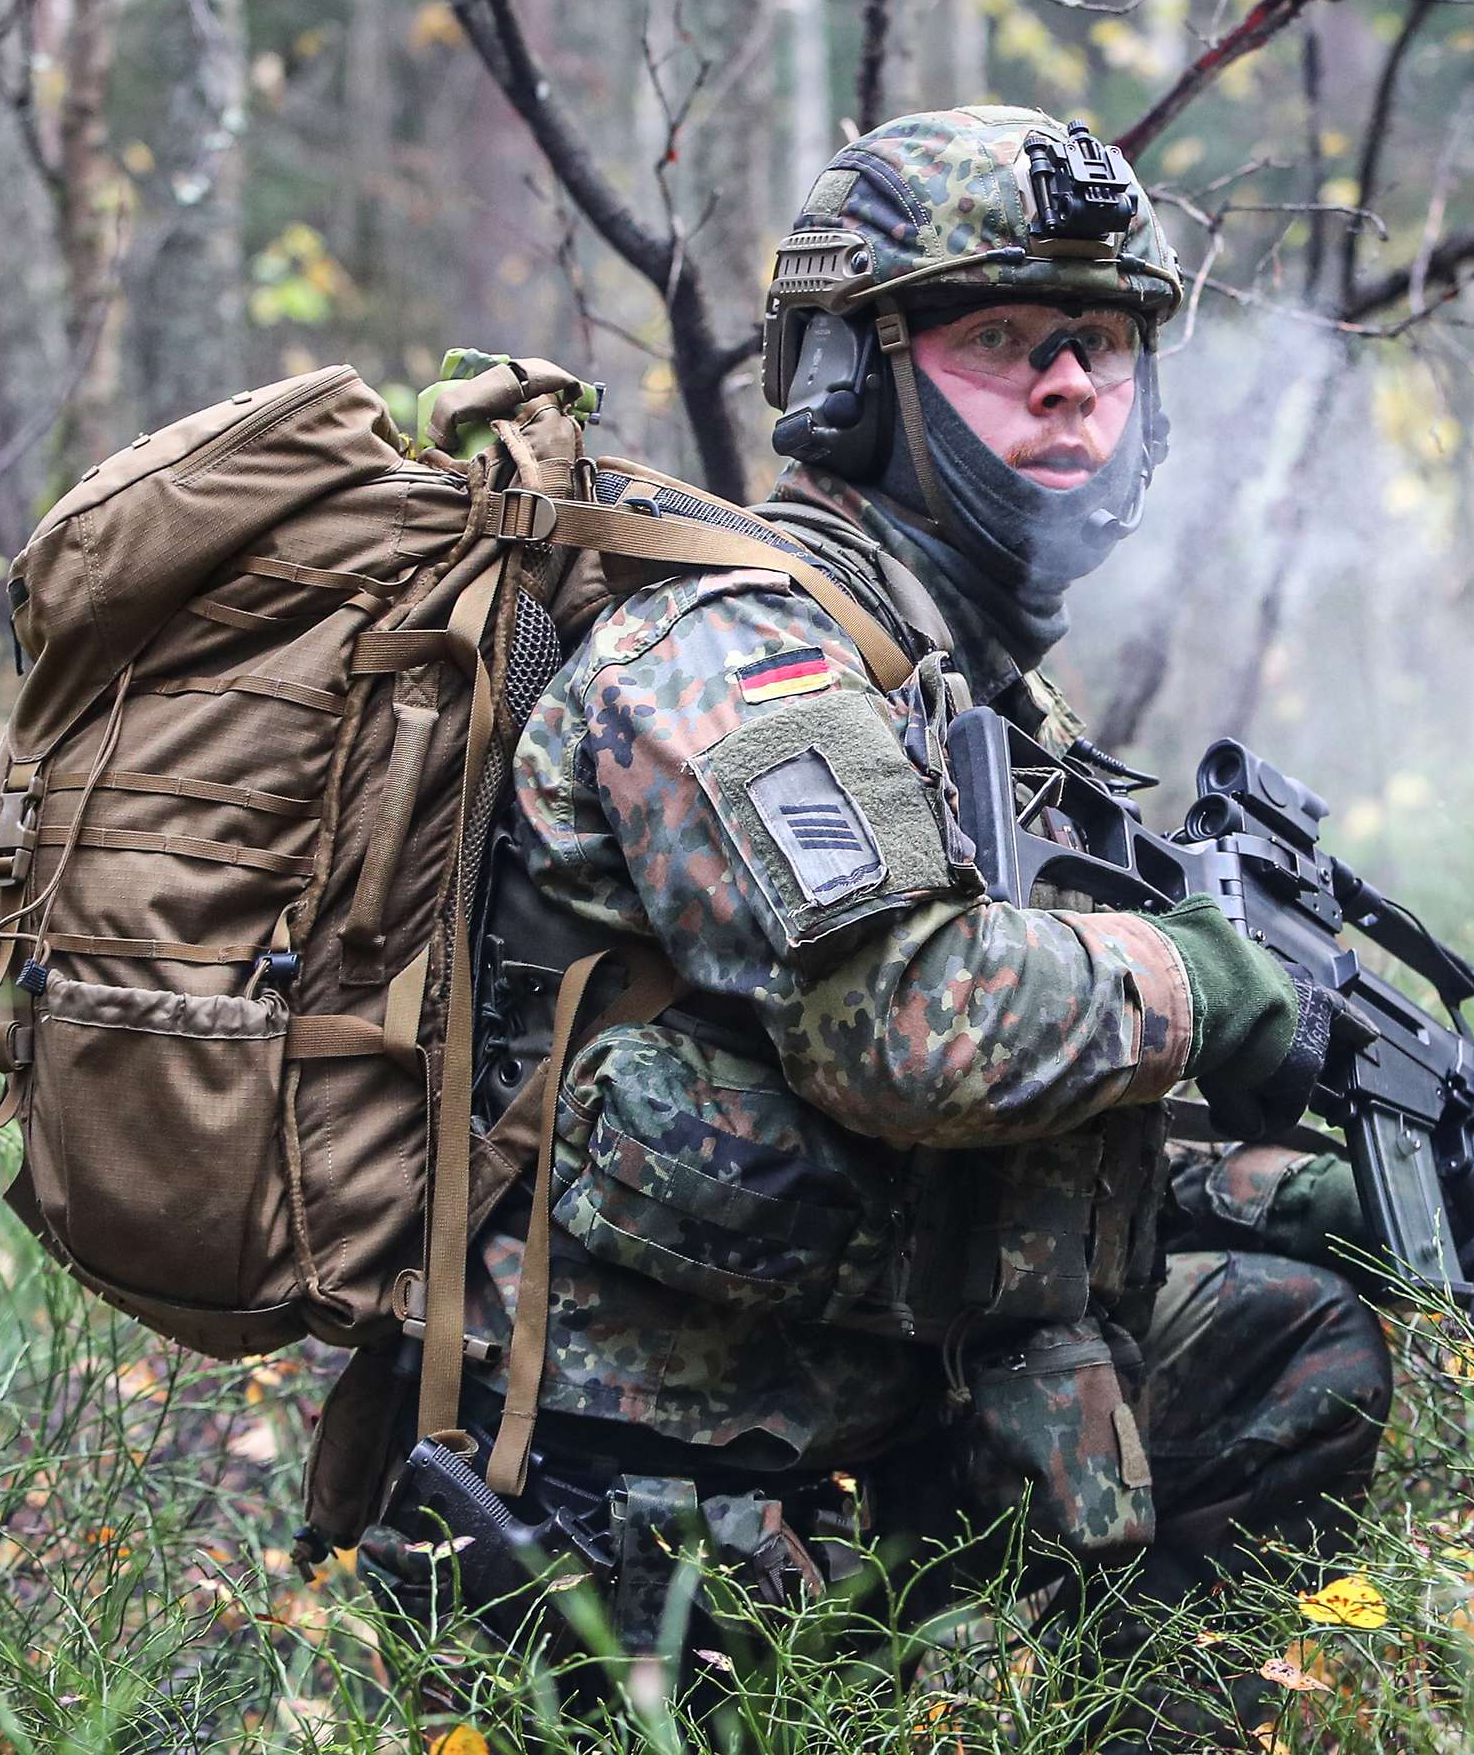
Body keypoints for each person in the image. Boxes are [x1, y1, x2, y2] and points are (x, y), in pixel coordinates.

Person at [391, 108, 1395, 1721]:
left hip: (846, 1422)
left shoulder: (958, 685)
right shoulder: (743, 655)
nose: (1071, 381)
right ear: (856, 381)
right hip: (641, 1516)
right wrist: (1202, 982)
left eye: (1105, 339)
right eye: (1001, 334)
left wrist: (1266, 1188)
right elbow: (912, 1035)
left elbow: (963, 1137)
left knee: (1289, 1327)